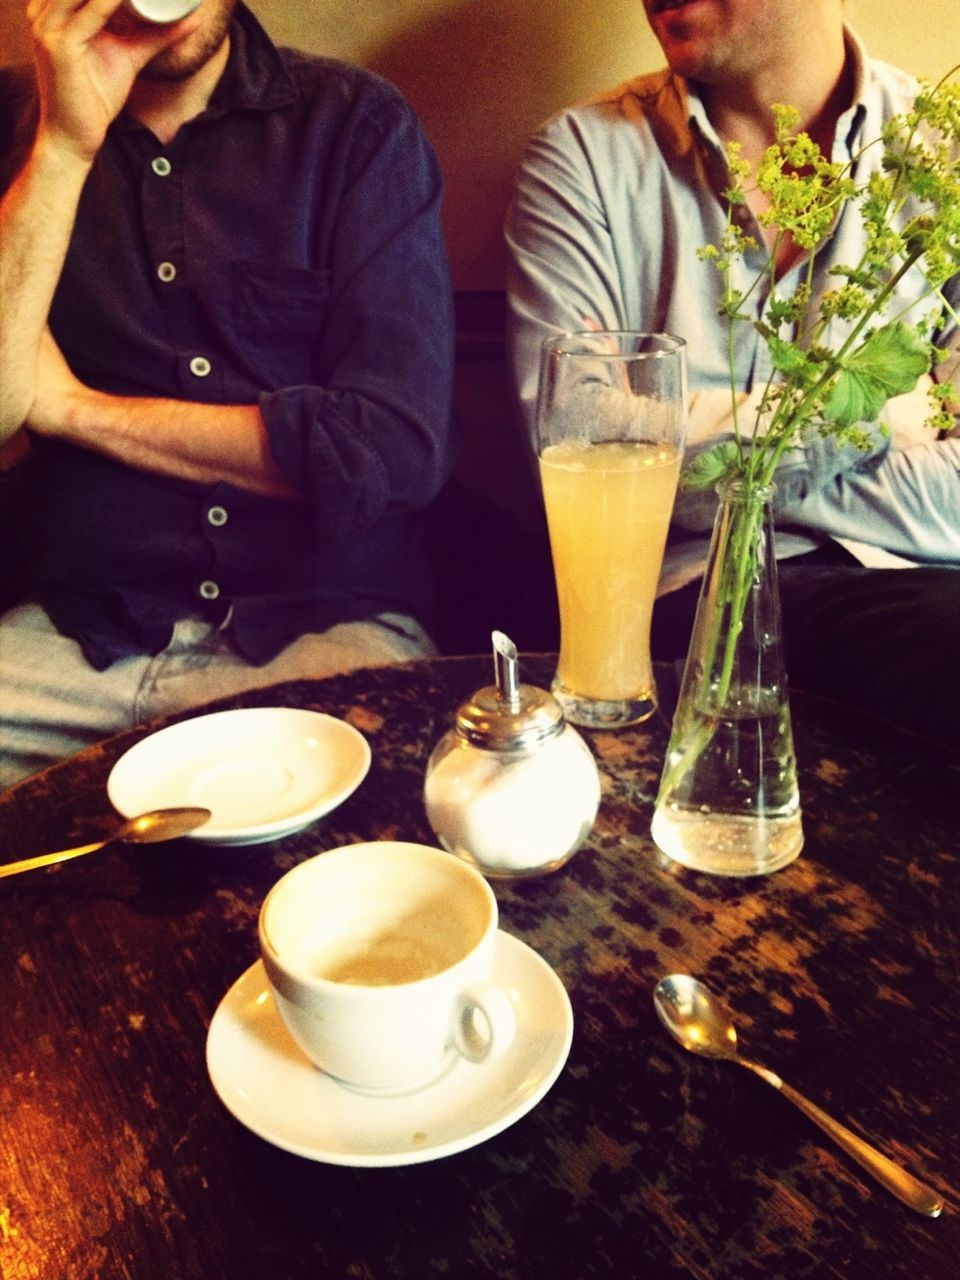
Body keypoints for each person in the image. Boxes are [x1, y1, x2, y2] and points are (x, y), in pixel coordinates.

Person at [0, 0, 455, 789]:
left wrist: (75, 410)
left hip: (319, 630)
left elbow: (391, 450)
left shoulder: (353, 125)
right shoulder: (13, 131)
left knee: (373, 854)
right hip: (67, 635)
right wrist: (66, 147)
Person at [505, 0, 960, 745]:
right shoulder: (585, 159)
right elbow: (574, 450)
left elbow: (633, 468)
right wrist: (870, 421)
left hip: (918, 576)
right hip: (682, 605)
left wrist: (687, 445)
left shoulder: (944, 154)